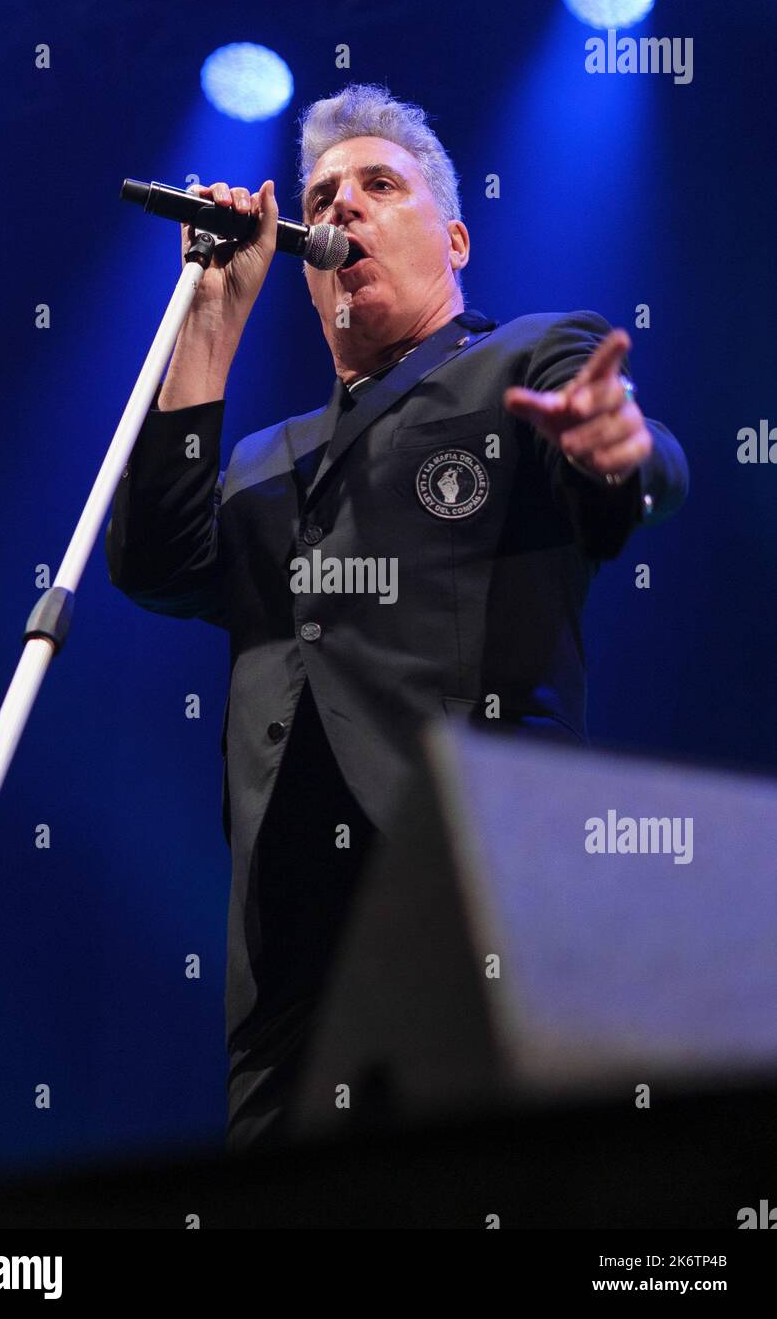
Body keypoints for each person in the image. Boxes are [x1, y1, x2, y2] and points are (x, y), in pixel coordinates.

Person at [106, 83, 689, 1153]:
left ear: (454, 236)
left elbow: (632, 461)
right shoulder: (265, 458)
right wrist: (210, 324)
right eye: (324, 193)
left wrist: (620, 449)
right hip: (286, 968)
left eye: (381, 185)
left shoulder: (522, 362)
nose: (344, 207)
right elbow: (152, 565)